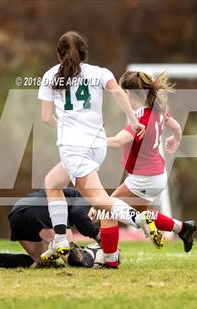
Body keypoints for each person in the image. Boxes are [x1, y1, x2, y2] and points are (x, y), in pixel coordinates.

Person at [38, 31, 162, 267]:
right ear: (85, 52)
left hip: (74, 147)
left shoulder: (50, 76)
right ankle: (61, 239)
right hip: (97, 145)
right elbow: (116, 92)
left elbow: (46, 118)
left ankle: (140, 219)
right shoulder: (99, 73)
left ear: (58, 54)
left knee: (99, 199)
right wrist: (135, 122)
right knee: (53, 183)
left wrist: (63, 127)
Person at [106, 71, 197, 253]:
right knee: (141, 214)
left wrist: (84, 141)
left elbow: (117, 141)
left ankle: (108, 255)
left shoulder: (139, 118)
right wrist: (175, 139)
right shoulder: (157, 108)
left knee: (105, 208)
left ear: (129, 94)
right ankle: (183, 228)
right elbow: (177, 127)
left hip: (143, 178)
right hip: (157, 175)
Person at [0, 188, 105, 269]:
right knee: (73, 257)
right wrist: (100, 238)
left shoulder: (67, 195)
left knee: (43, 262)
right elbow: (79, 215)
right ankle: (100, 261)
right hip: (40, 210)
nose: (93, 220)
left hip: (17, 214)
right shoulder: (83, 198)